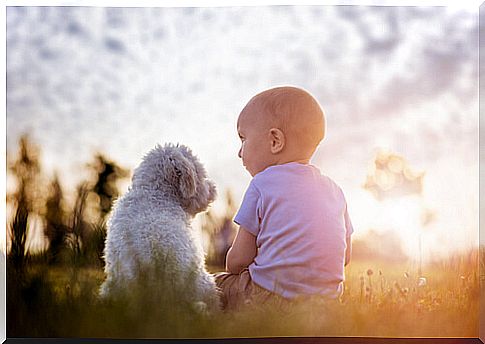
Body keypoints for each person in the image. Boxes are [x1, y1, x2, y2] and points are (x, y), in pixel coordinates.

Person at [214, 85, 354, 311]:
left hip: (266, 298)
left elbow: (237, 261)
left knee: (213, 285)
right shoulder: (335, 190)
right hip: (325, 305)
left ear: (275, 141)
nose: (239, 152)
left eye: (243, 139)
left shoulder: (261, 184)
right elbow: (345, 257)